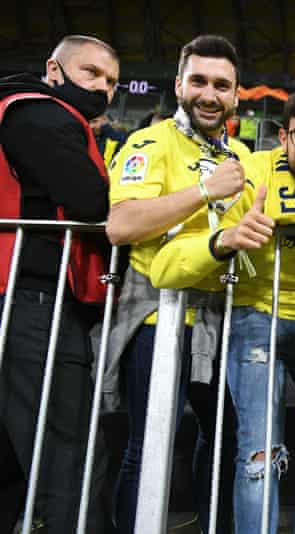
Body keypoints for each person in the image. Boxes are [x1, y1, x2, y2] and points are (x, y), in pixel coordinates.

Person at [151, 87, 295, 533]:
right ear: (282, 136)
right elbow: (179, 253)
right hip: (257, 318)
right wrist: (230, 236)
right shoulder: (252, 171)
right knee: (259, 449)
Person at [104, 34, 247, 534]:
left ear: (236, 95)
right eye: (200, 81)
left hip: (219, 321)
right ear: (180, 85)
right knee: (148, 444)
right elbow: (121, 226)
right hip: (157, 318)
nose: (210, 94)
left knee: (228, 439)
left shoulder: (241, 152)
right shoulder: (150, 141)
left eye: (221, 85)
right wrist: (205, 190)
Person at [0, 34, 119, 534]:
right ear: (54, 68)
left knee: (17, 456)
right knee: (68, 449)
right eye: (91, 73)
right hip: (33, 301)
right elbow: (89, 197)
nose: (103, 89)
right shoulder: (38, 112)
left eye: (111, 82)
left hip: (25, 299)